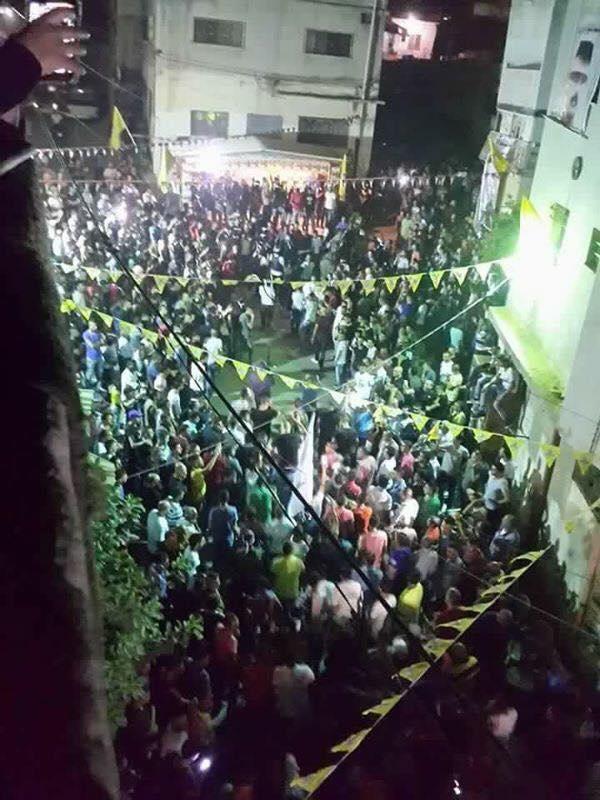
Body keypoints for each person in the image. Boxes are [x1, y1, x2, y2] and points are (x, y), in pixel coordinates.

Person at [271, 541, 305, 617]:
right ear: (292, 550)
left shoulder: (276, 561)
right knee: (290, 613)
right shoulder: (298, 561)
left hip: (279, 592)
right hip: (293, 593)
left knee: (279, 614)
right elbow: (303, 571)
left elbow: (272, 574)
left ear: (283, 550)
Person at [207, 489, 239, 567]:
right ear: (228, 498)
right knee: (226, 561)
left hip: (216, 539)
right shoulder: (233, 510)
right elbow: (234, 526)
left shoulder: (213, 511)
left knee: (217, 561)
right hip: (228, 539)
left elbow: (210, 526)